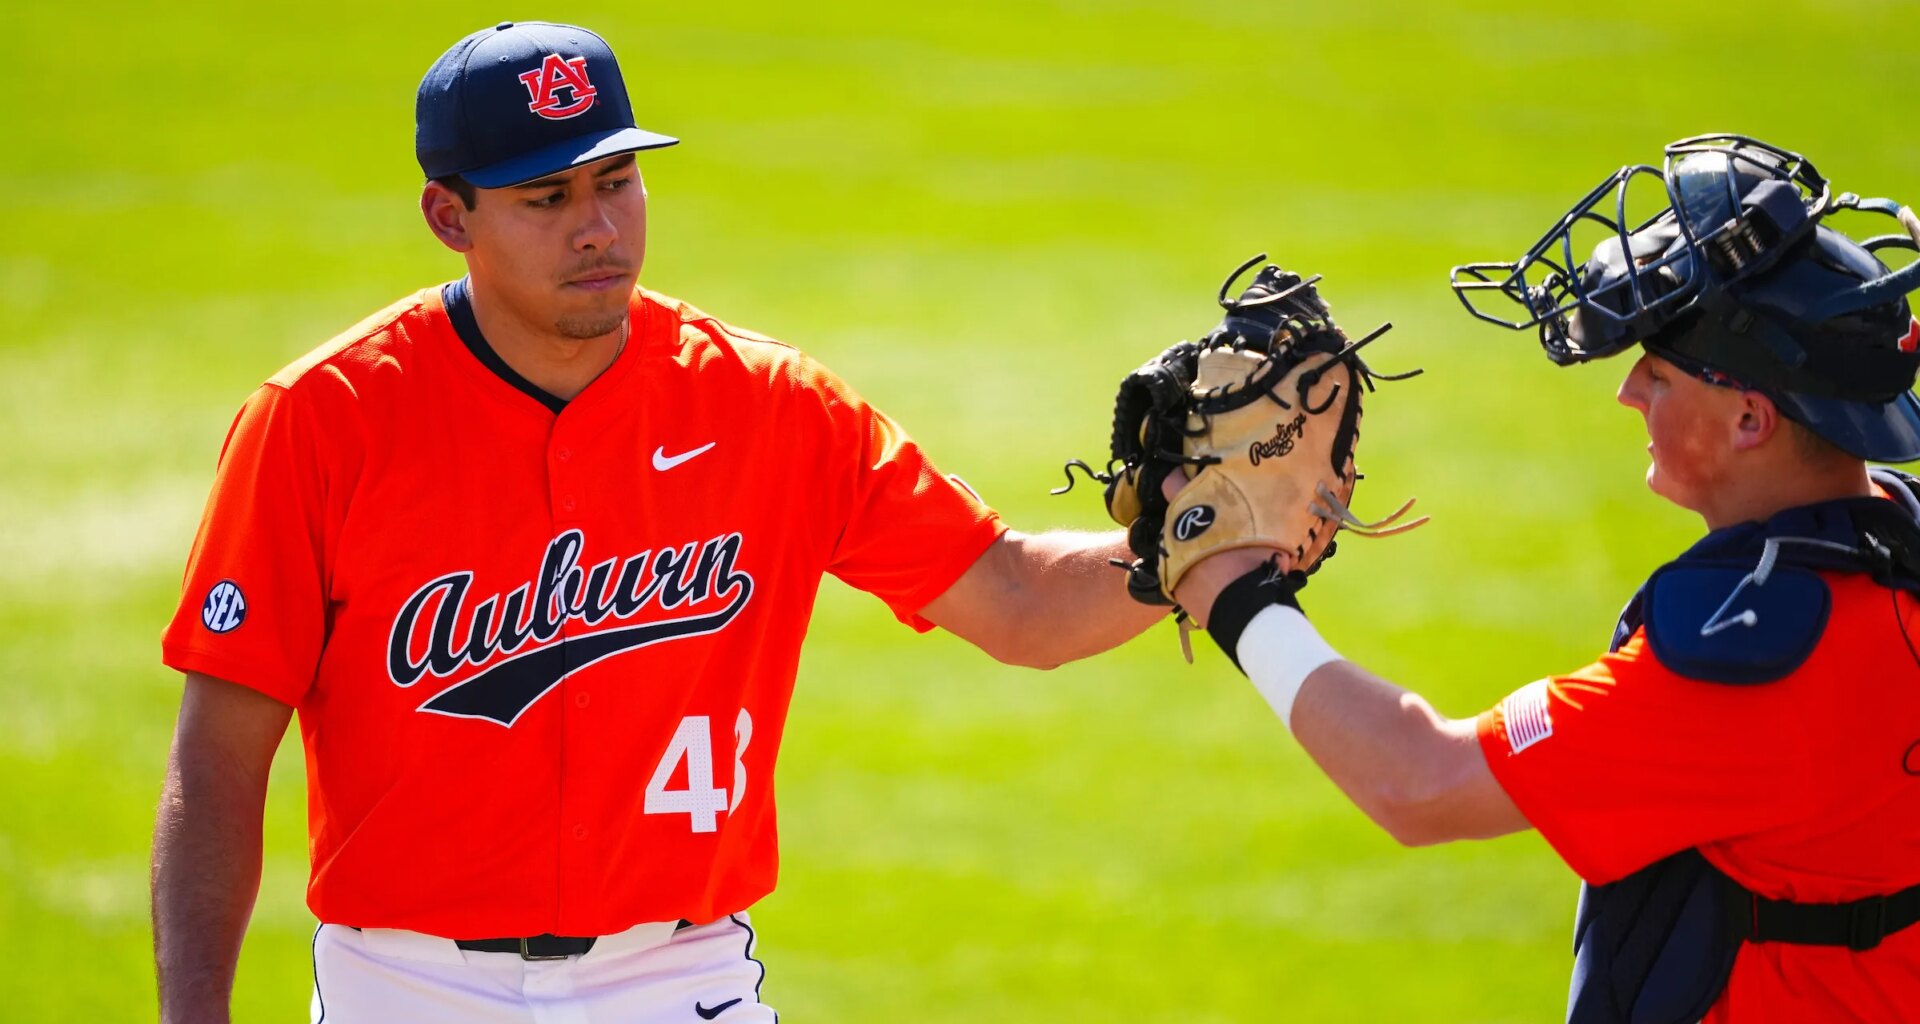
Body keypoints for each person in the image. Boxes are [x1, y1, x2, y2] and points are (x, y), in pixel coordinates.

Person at [150, 21, 1163, 1023]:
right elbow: (218, 762)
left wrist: (1198, 542)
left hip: (677, 977)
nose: (597, 227)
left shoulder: (772, 405)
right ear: (448, 217)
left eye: (617, 182)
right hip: (408, 985)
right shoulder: (324, 419)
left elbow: (1018, 596)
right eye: (546, 197)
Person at [1169, 136, 1920, 1022]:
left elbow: (1420, 781)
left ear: (1751, 418)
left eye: (1661, 371)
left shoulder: (1754, 669)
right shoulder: (1895, 541)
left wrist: (1232, 591)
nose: (1629, 393)